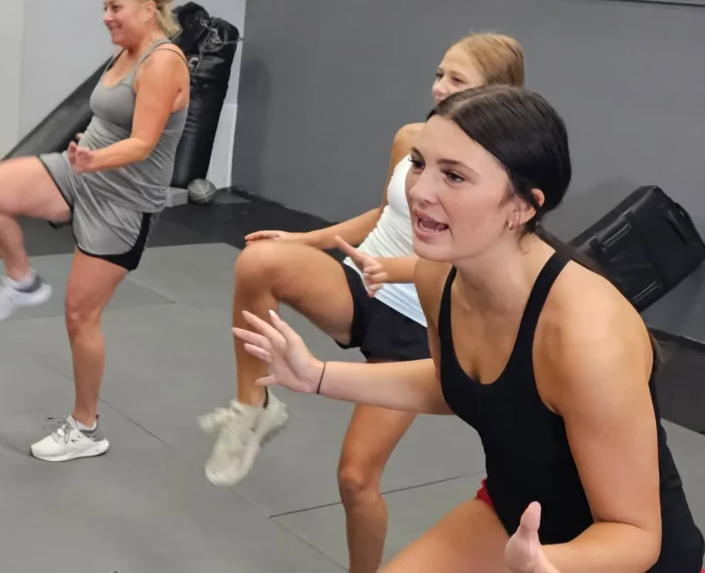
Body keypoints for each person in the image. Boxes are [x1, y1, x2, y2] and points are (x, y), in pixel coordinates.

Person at [234, 85, 705, 573]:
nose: (419, 191)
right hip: (513, 516)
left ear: (522, 207)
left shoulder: (588, 334)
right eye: (419, 164)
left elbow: (635, 535)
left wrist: (548, 564)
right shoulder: (438, 274)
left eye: (454, 176)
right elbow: (455, 382)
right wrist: (317, 375)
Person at [200, 33, 525, 572]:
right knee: (258, 264)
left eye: (457, 80)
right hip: (360, 285)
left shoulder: (497, 176)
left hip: (416, 326)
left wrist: (396, 270)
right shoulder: (413, 139)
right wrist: (302, 241)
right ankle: (252, 410)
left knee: (355, 478)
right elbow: (384, 216)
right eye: (439, 73)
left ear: (495, 94)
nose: (439, 87)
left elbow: (473, 263)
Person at [0, 0, 191, 463]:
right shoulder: (126, 51)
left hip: (122, 202)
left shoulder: (163, 62)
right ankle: (21, 279)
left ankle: (86, 428)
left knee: (79, 316)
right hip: (80, 172)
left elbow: (143, 142)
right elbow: (109, 119)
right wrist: (83, 159)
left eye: (116, 8)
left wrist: (94, 161)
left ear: (149, 9)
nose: (107, 17)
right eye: (105, 8)